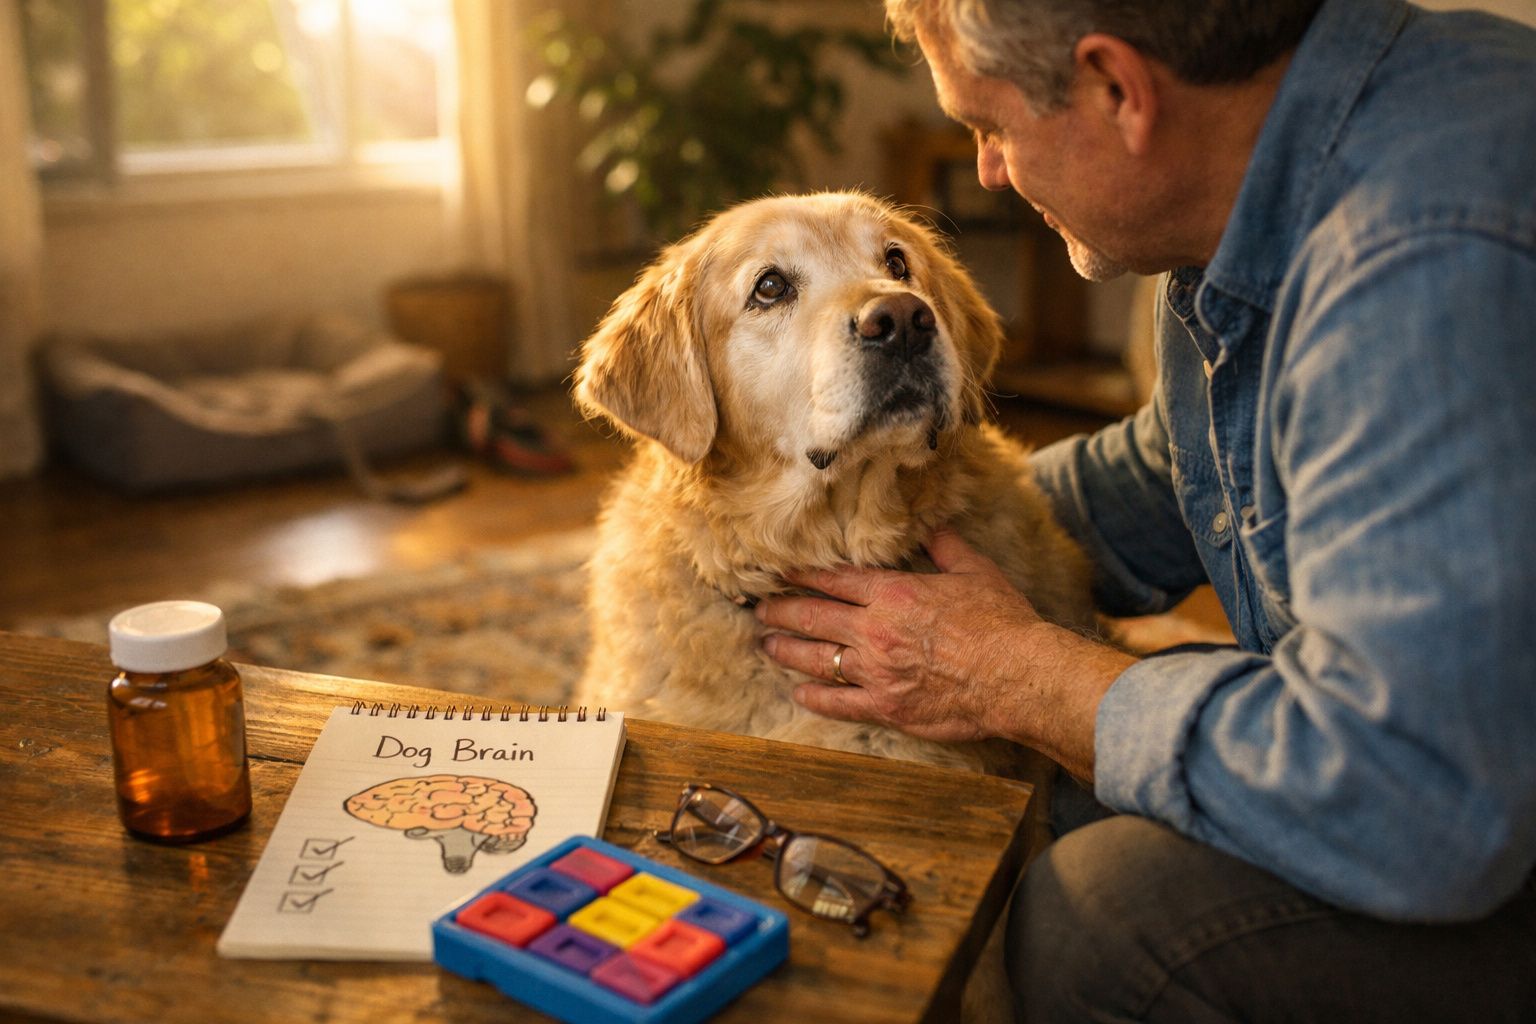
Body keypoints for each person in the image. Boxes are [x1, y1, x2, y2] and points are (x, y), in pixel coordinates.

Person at [753, 0, 1536, 1018]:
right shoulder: (1259, 186)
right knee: (1101, 743)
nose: (986, 168)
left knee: (1099, 912)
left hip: (1462, 817)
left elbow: (1415, 799)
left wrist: (1013, 673)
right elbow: (1181, 476)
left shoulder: (1416, 265)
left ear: (1118, 88)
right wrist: (891, 535)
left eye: (989, 128)